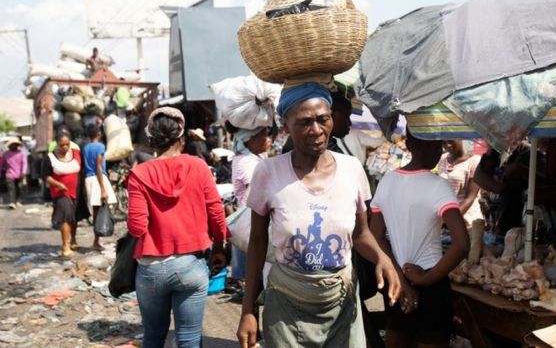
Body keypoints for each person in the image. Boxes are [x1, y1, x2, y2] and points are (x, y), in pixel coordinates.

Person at [236, 82, 401, 348]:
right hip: (286, 306)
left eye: (323, 119)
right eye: (304, 123)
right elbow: (257, 243)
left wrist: (383, 258)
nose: (316, 131)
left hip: (341, 303)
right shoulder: (269, 172)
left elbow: (361, 235)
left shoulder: (351, 169)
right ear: (286, 126)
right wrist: (248, 310)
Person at [127, 107, 228, 348]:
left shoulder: (139, 174)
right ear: (181, 138)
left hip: (151, 269)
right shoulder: (198, 166)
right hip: (191, 266)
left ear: (151, 139)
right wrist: (220, 247)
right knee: (189, 339)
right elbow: (216, 212)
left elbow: (137, 228)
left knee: (153, 336)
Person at [370, 130, 470, 348]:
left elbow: (375, 238)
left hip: (396, 282)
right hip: (431, 282)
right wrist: (424, 280)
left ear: (409, 145)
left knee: (397, 340)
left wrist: (402, 281)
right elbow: (462, 244)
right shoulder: (438, 185)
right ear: (433, 147)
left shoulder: (387, 181)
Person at [229, 124, 273, 295]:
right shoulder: (247, 161)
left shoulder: (254, 158)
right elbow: (259, 186)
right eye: (264, 136)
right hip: (250, 219)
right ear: (250, 139)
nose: (268, 140)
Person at [42, 130, 81, 256]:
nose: (65, 147)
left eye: (67, 144)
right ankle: (65, 246)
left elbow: (82, 169)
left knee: (73, 218)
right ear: (57, 144)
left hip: (76, 191)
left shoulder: (76, 153)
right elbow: (46, 176)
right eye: (62, 145)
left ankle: (73, 240)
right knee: (65, 218)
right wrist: (58, 184)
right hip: (60, 193)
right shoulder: (50, 157)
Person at [83, 124, 117, 251]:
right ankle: (97, 240)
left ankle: (96, 240)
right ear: (99, 134)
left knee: (96, 210)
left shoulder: (86, 148)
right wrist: (103, 188)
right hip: (98, 179)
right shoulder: (100, 146)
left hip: (89, 179)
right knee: (102, 208)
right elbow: (98, 166)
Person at [437, 140, 482, 225]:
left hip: (467, 220)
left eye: (451, 140)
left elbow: (470, 198)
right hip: (446, 218)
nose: (447, 145)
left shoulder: (474, 160)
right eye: (443, 142)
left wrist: (450, 220)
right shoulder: (442, 159)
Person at [0, 137, 27, 209]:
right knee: (11, 188)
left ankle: (17, 200)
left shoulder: (21, 153)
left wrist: (23, 172)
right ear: (10, 146)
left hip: (19, 174)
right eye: (12, 145)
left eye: (15, 144)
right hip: (10, 174)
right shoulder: (6, 154)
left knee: (19, 188)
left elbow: (24, 163)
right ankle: (12, 202)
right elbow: (1, 164)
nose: (14, 146)